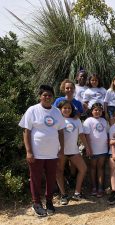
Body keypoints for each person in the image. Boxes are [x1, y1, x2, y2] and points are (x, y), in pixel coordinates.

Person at [19, 85, 65, 217]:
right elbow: (26, 132)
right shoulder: (32, 110)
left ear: (53, 97)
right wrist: (29, 151)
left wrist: (61, 149)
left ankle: (49, 202)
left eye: (50, 95)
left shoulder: (56, 112)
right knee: (35, 179)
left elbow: (61, 132)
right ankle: (36, 203)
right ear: (40, 96)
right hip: (36, 153)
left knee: (51, 179)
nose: (47, 97)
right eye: (45, 95)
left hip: (52, 153)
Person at [56, 100, 91, 205]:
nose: (67, 110)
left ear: (72, 110)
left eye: (69, 108)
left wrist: (87, 147)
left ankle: (77, 192)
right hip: (60, 151)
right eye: (64, 108)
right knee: (59, 172)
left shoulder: (77, 120)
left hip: (73, 151)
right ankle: (63, 195)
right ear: (60, 109)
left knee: (83, 169)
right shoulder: (57, 120)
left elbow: (81, 135)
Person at [83, 103, 108, 197]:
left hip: (103, 149)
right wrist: (88, 148)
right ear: (92, 111)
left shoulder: (104, 121)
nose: (97, 112)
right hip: (93, 149)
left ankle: (100, 188)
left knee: (100, 168)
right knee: (93, 168)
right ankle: (94, 187)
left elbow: (107, 133)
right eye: (95, 110)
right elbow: (86, 136)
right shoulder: (88, 121)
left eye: (99, 110)